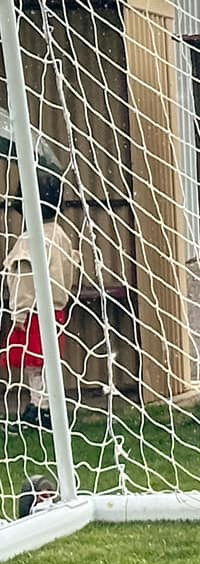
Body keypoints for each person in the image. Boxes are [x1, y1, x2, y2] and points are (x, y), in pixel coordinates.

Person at [4, 161, 77, 430]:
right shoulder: (61, 236)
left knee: (35, 365)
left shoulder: (29, 239)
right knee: (47, 363)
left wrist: (19, 313)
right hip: (56, 311)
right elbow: (71, 271)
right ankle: (45, 407)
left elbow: (23, 281)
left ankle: (40, 409)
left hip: (34, 313)